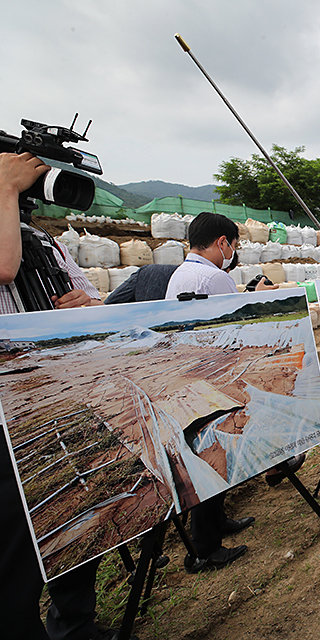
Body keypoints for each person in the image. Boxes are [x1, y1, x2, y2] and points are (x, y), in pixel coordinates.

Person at [0, 151, 120, 640]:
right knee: (15, 553)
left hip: (62, 395)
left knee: (77, 515)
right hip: (7, 417)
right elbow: (5, 270)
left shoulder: (41, 241)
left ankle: (76, 624)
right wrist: (5, 191)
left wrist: (87, 305)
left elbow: (95, 300)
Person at [165, 212, 280, 573]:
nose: (234, 252)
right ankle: (206, 547)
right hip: (211, 379)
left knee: (211, 449)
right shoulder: (213, 276)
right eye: (234, 244)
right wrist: (257, 299)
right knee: (213, 451)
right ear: (222, 243)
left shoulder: (183, 273)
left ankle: (217, 522)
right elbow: (238, 326)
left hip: (191, 377)